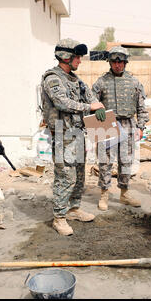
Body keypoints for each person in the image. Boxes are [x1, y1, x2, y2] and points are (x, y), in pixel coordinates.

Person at [41, 38, 105, 236]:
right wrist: (90, 107)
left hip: (77, 132)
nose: (80, 60)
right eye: (77, 57)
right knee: (65, 177)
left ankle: (73, 209)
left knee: (78, 175)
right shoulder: (53, 78)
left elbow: (90, 97)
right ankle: (59, 217)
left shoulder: (75, 80)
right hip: (62, 133)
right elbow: (61, 102)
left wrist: (98, 105)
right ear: (66, 57)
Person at [91, 46, 149, 211]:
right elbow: (91, 102)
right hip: (107, 123)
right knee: (105, 161)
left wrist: (141, 127)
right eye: (114, 61)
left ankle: (124, 193)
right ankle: (104, 194)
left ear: (125, 62)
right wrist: (97, 109)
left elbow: (141, 107)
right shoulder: (101, 82)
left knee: (126, 160)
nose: (117, 65)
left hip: (128, 124)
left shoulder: (134, 82)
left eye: (121, 61)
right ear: (110, 62)